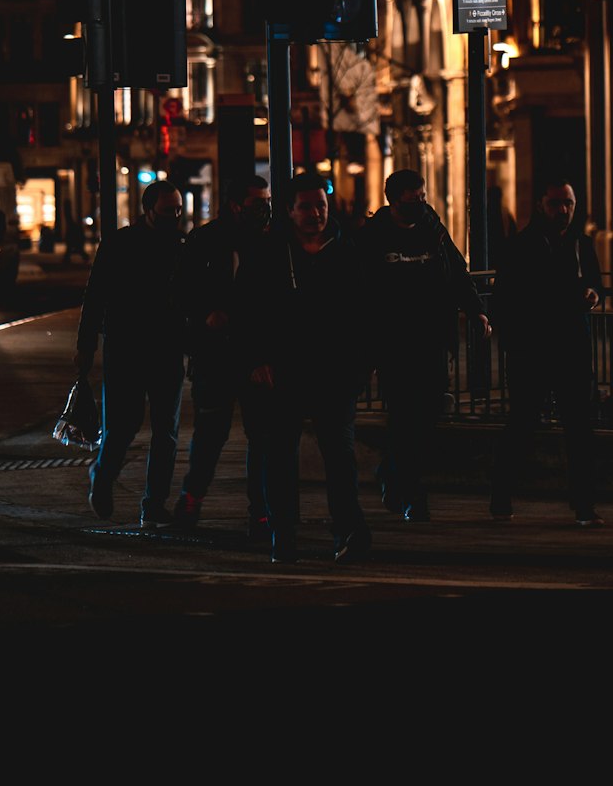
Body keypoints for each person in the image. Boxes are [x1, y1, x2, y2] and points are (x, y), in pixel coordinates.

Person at [239, 170, 373, 565]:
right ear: (289, 211)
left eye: (321, 205)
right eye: (306, 207)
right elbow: (247, 310)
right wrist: (255, 359)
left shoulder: (347, 251)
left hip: (335, 372)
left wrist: (362, 366)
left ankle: (348, 529)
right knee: (280, 456)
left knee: (340, 456)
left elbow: (366, 313)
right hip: (284, 372)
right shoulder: (269, 254)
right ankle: (283, 533)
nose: (315, 213)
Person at [361, 168, 491, 522]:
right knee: (405, 417)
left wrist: (476, 310)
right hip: (394, 344)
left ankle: (394, 475)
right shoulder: (373, 238)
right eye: (411, 200)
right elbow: (362, 294)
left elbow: (457, 272)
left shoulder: (432, 229)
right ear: (393, 202)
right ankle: (411, 493)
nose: (419, 204)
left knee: (427, 416)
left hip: (432, 339)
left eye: (422, 197)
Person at [488, 177, 603, 527]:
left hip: (570, 348)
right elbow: (506, 300)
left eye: (568, 203)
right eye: (556, 203)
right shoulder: (521, 246)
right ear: (541, 204)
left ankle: (583, 505)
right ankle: (502, 496)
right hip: (534, 350)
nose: (563, 210)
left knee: (578, 429)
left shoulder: (581, 244)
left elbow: (596, 284)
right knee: (523, 424)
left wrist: (593, 295)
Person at [73, 179, 186, 529]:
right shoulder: (120, 245)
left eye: (178, 210)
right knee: (123, 426)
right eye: (169, 211)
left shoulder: (179, 246)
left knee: (166, 431)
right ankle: (103, 476)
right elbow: (95, 298)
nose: (175, 216)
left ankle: (152, 505)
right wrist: (86, 346)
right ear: (148, 210)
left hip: (166, 348)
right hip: (126, 348)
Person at [171, 175, 272, 539]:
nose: (264, 209)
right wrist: (204, 315)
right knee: (211, 435)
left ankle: (260, 511)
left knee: (261, 436)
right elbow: (181, 290)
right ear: (236, 205)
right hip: (217, 353)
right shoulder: (207, 240)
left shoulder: (268, 241)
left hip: (256, 355)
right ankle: (193, 498)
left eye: (266, 201)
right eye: (258, 202)